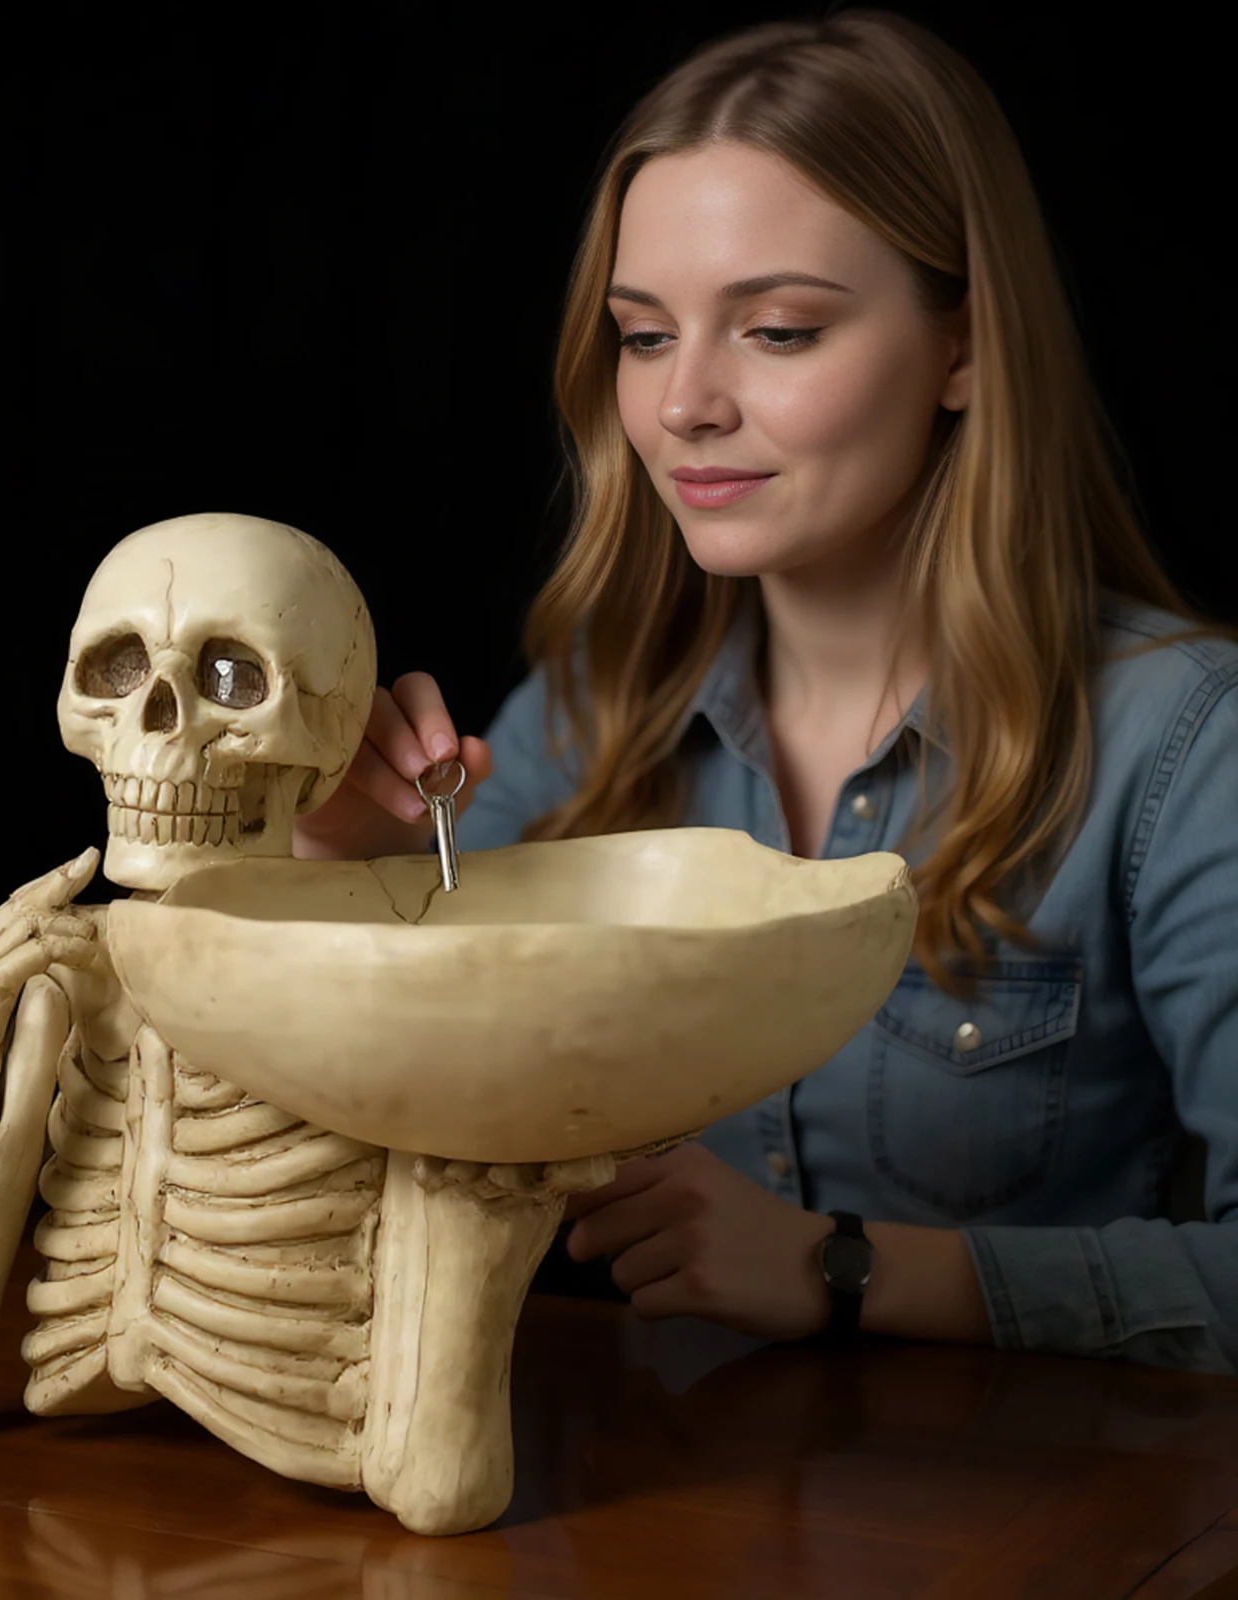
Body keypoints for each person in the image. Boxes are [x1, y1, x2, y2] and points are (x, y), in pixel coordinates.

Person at [293, 10, 1236, 1373]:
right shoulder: (596, 712)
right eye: (643, 335)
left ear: (965, 349)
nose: (684, 406)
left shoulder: (1182, 743)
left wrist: (842, 1267)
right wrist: (353, 868)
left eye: (779, 330)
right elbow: (385, 1116)